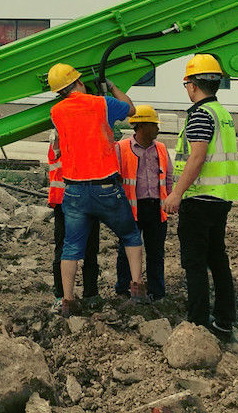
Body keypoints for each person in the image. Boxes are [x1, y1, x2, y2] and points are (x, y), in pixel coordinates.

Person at [47, 62, 145, 317]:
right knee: (130, 235)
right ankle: (137, 289)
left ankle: (68, 300)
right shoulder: (102, 104)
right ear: (79, 81)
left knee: (71, 247)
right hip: (106, 187)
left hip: (74, 190)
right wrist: (111, 87)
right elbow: (131, 109)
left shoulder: (56, 112)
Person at [163, 54, 238, 341]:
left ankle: (197, 323)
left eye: (187, 84)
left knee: (194, 263)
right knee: (217, 259)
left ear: (193, 85)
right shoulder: (222, 114)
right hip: (221, 198)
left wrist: (176, 193)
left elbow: (197, 158)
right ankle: (224, 321)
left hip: (199, 199)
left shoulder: (200, 115)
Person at [115, 105, 173, 302]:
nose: (157, 129)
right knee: (126, 251)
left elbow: (168, 177)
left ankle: (157, 291)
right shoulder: (121, 148)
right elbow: (115, 179)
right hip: (131, 209)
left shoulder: (161, 149)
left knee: (156, 253)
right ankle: (123, 288)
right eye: (154, 125)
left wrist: (170, 199)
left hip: (156, 208)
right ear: (141, 126)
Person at [47, 138, 102, 310]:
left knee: (85, 249)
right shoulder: (64, 139)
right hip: (72, 201)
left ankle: (80, 295)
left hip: (77, 201)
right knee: (80, 249)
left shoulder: (66, 137)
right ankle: (71, 295)